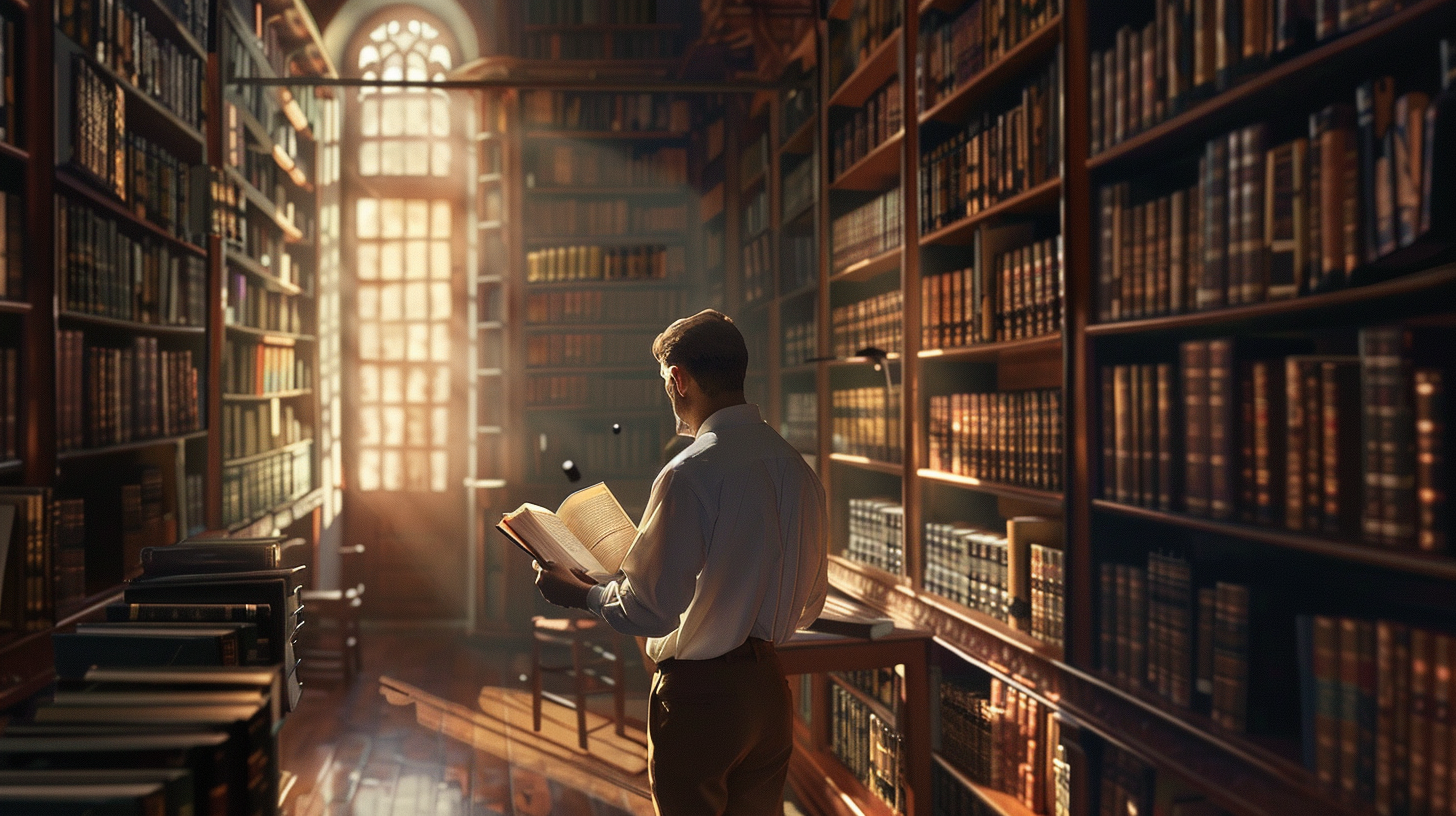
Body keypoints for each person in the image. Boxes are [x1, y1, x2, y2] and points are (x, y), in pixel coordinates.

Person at [534, 309, 828, 816]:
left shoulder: (690, 471)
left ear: (679, 379)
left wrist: (580, 592)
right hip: (771, 694)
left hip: (701, 699)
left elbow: (652, 611)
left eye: (666, 384)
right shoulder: (796, 468)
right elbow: (808, 607)